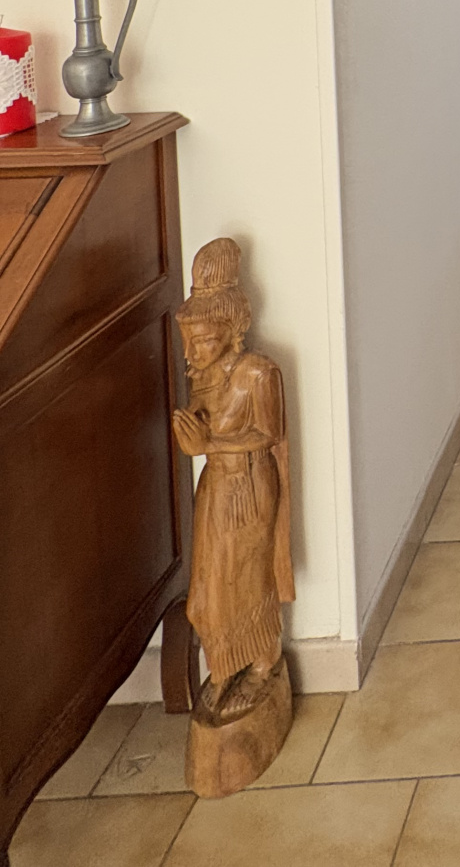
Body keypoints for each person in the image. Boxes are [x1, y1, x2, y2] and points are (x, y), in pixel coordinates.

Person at [172, 239, 294, 722]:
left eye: (203, 340)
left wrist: (210, 444)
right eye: (189, 340)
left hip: (250, 488)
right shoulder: (200, 376)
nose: (193, 351)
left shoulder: (257, 373)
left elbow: (268, 433)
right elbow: (199, 431)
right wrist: (193, 442)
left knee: (246, 576)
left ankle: (263, 662)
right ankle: (223, 666)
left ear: (232, 329)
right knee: (206, 589)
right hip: (215, 488)